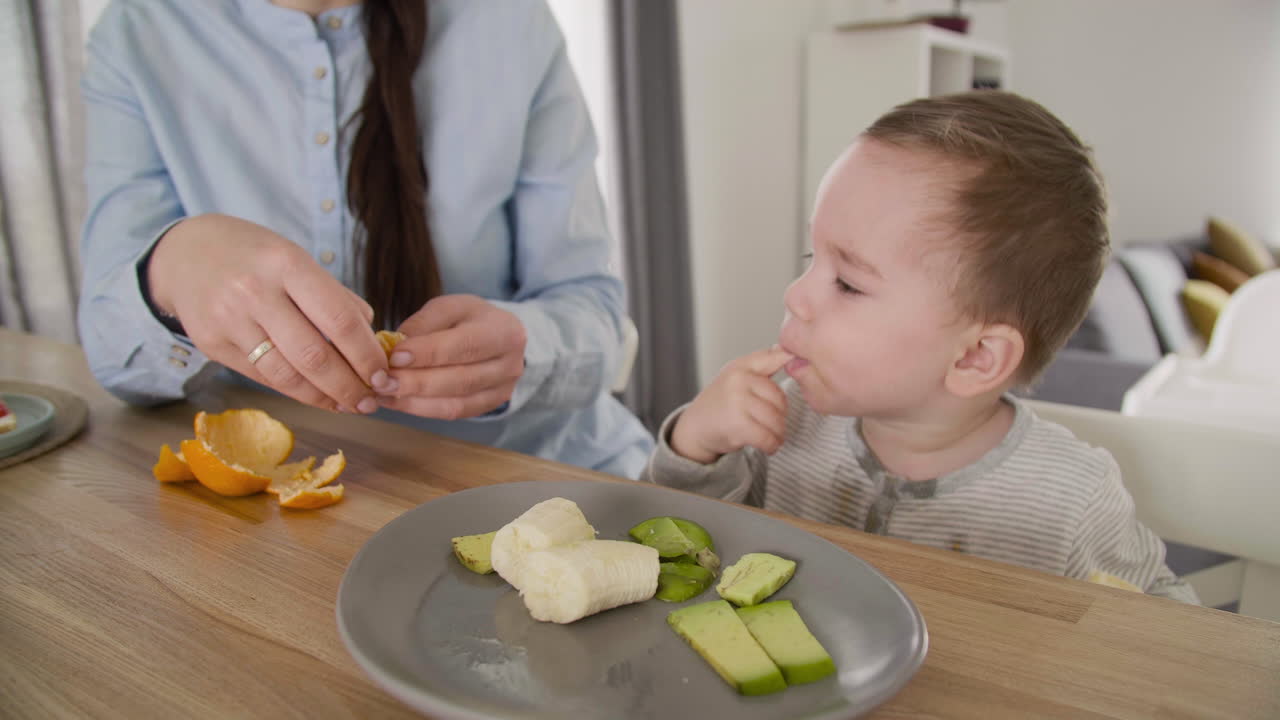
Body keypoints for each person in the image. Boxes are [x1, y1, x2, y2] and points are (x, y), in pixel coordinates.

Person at [644, 91, 1197, 602]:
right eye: (814, 260)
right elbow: (679, 552)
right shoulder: (781, 421)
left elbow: (1173, 640)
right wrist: (696, 446)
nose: (795, 295)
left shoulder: (1071, 500)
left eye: (849, 283)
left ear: (975, 357)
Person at [77, 0, 654, 478]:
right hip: (281, 509)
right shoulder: (137, 34)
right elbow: (116, 363)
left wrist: (525, 353)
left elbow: (598, 320)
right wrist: (170, 272)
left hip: (536, 472)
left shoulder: (509, 20)